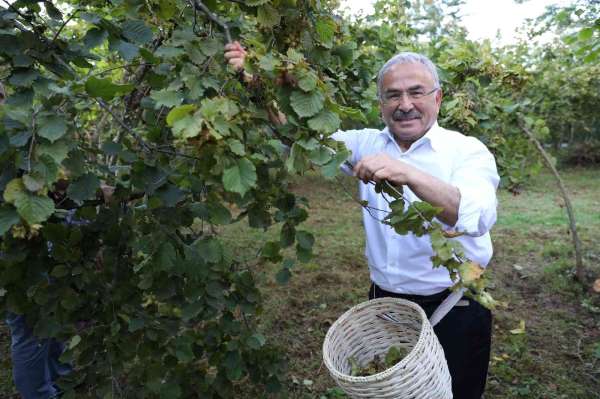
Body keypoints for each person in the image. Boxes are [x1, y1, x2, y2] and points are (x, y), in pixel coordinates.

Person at [225, 42, 499, 399]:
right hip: (384, 305)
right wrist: (254, 82)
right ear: (381, 103)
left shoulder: (467, 151)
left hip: (455, 307)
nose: (404, 105)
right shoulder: (364, 142)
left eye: (416, 92)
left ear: (438, 98)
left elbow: (477, 215)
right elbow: (299, 138)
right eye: (393, 95)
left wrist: (409, 174)